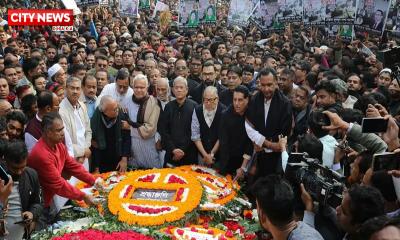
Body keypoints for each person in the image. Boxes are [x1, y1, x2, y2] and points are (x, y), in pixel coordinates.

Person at [27, 112, 98, 224]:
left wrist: (94, 181)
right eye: (58, 130)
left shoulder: (58, 144)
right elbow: (58, 184)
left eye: (62, 129)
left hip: (49, 198)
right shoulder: (41, 154)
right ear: (48, 132)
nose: (62, 134)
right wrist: (83, 196)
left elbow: (73, 166)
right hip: (38, 204)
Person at [246, 68, 292, 177]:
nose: (266, 89)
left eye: (270, 85)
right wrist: (259, 143)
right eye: (263, 85)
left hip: (275, 157)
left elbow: (285, 133)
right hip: (256, 152)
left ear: (276, 83)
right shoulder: (254, 99)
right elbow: (249, 126)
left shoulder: (284, 103)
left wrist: (269, 145)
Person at [252, 175, 324, 240]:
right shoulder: (302, 228)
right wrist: (308, 206)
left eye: (257, 207)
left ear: (262, 215)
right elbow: (308, 229)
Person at [1, 141, 42, 238]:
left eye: (22, 167)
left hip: (22, 235)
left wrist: (32, 213)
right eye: (15, 168)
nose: (19, 172)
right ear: (5, 161)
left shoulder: (31, 175)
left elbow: (38, 203)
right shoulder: (1, 180)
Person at [122, 74, 161, 169]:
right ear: (132, 87)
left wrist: (130, 128)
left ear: (147, 87)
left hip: (148, 146)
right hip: (132, 147)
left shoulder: (154, 103)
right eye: (136, 87)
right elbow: (122, 125)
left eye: (142, 87)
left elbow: (150, 130)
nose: (139, 90)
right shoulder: (126, 102)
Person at [161, 77, 198, 166]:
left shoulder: (194, 106)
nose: (179, 90)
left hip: (189, 153)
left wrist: (182, 150)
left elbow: (194, 131)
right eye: (176, 88)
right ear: (172, 90)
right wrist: (173, 149)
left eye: (181, 87)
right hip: (171, 153)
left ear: (187, 89)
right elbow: (164, 131)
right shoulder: (168, 107)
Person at [218, 85, 253, 176]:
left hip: (246, 160)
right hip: (228, 160)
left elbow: (250, 143)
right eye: (234, 100)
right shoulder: (225, 115)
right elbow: (224, 143)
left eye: (240, 100)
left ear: (247, 99)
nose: (236, 103)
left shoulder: (252, 114)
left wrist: (243, 167)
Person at [91, 96, 131, 173]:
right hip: (103, 161)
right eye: (114, 109)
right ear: (105, 112)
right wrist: (96, 167)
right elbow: (95, 146)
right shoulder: (96, 121)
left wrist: (124, 159)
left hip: (119, 159)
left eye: (117, 107)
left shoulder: (122, 114)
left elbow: (127, 138)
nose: (117, 110)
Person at [59, 77, 92, 169]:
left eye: (77, 88)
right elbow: (65, 141)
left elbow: (88, 131)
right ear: (66, 89)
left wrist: (85, 149)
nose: (75, 91)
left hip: (84, 156)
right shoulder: (61, 110)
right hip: (71, 158)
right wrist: (83, 151)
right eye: (72, 88)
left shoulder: (82, 106)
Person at [191, 86, 225, 166]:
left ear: (217, 99)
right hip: (202, 153)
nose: (208, 103)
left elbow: (222, 136)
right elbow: (195, 135)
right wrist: (205, 155)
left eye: (211, 100)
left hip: (219, 155)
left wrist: (211, 154)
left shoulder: (224, 111)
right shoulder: (197, 110)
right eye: (205, 100)